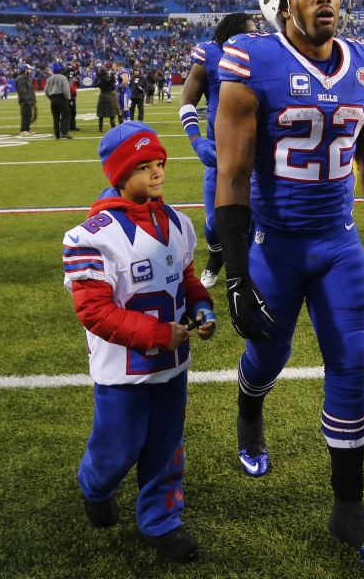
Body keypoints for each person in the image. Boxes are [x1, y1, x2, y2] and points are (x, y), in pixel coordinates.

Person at [214, 0, 364, 577]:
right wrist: (237, 273)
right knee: (269, 353)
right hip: (275, 242)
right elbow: (234, 177)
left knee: (352, 358)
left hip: (337, 241)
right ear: (280, 1)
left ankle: (347, 506)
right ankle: (249, 410)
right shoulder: (252, 62)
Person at [62, 121, 218, 564]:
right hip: (122, 370)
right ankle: (96, 484)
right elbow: (94, 311)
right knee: (118, 446)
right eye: (144, 166)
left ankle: (161, 521)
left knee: (167, 444)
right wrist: (156, 334)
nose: (157, 173)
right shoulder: (90, 236)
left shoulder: (179, 223)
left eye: (159, 164)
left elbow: (186, 280)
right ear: (119, 173)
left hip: (171, 364)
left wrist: (201, 308)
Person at [179, 12, 257, 289]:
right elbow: (187, 100)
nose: (255, 36)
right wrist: (196, 140)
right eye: (249, 31)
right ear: (232, 32)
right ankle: (215, 259)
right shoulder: (210, 53)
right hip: (220, 151)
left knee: (255, 219)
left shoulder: (262, 55)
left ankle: (249, 271)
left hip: (256, 152)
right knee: (215, 223)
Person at [45, 62, 73, 140]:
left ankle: (57, 134)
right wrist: (68, 98)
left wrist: (51, 98)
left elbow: (46, 91)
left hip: (53, 99)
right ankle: (64, 132)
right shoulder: (63, 78)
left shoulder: (49, 79)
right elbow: (66, 90)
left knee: (55, 117)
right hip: (62, 98)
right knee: (66, 116)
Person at [95, 63, 119, 132]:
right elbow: (113, 87)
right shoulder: (110, 79)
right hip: (109, 96)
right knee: (112, 113)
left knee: (101, 114)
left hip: (102, 96)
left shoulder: (101, 80)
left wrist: (97, 77)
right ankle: (113, 127)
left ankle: (100, 129)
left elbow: (94, 85)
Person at [15, 64, 36, 136]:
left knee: (29, 115)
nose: (30, 70)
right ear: (25, 70)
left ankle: (27, 129)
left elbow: (30, 90)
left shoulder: (26, 78)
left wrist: (33, 100)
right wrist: (27, 100)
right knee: (25, 115)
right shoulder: (21, 78)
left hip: (28, 100)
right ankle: (23, 130)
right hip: (25, 101)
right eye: (29, 69)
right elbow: (22, 91)